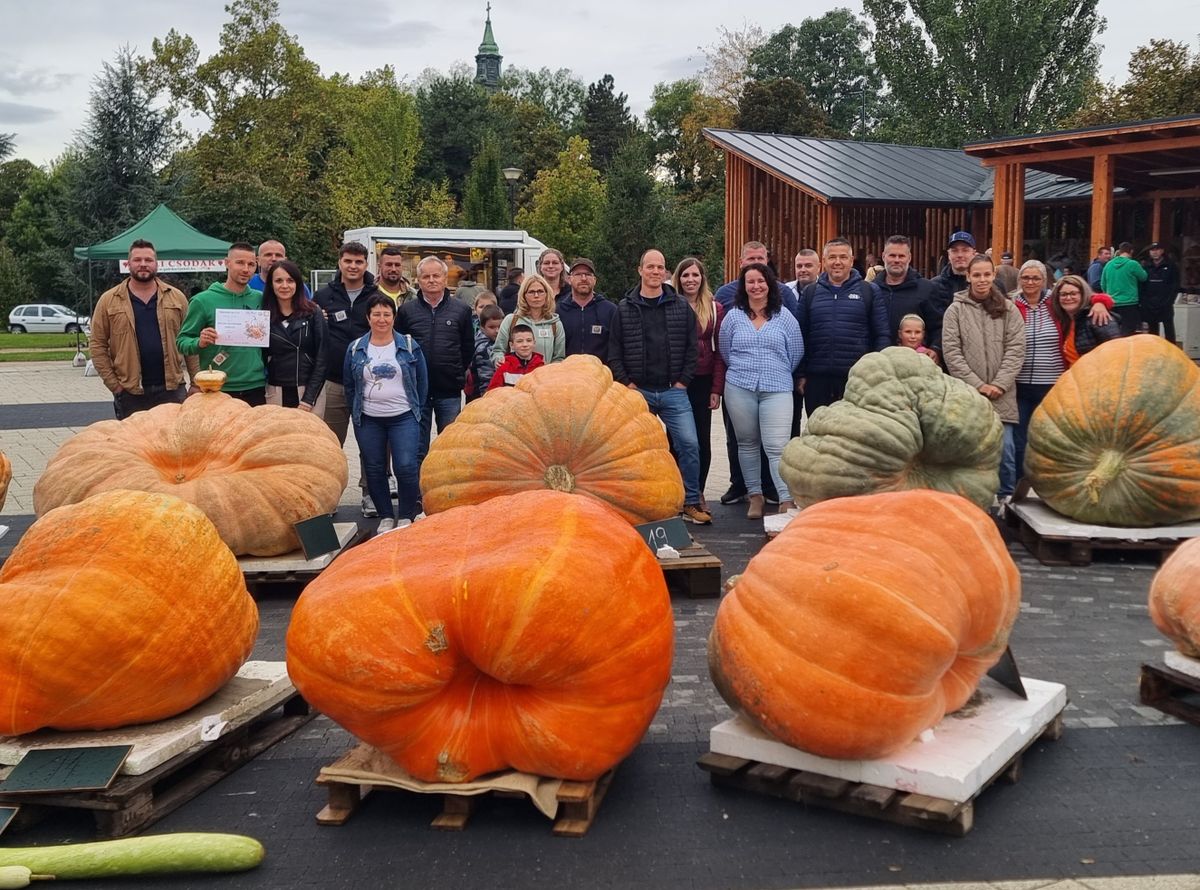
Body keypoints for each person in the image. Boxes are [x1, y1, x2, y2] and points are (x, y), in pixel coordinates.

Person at [608, 248, 710, 525]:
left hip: (672, 391)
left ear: (666, 273)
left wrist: (682, 382)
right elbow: (614, 351)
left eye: (660, 268)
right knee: (634, 451)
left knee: (689, 444)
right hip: (637, 391)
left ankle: (690, 501)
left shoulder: (680, 307)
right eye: (650, 267)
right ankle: (640, 505)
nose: (655, 272)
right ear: (640, 270)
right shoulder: (624, 309)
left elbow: (692, 350)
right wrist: (627, 384)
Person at [714, 241, 797, 506]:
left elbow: (795, 351)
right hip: (740, 387)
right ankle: (755, 496)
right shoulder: (733, 317)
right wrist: (745, 370)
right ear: (743, 285)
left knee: (776, 446)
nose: (756, 286)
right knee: (747, 443)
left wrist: (776, 370)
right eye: (750, 282)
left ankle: (785, 497)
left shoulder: (783, 316)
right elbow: (725, 350)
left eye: (760, 281)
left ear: (769, 283)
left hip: (777, 388)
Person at [941, 254, 1026, 504]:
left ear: (993, 276)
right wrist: (978, 385)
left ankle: (1005, 500)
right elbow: (952, 353)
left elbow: (1016, 348)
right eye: (976, 275)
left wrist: (999, 383)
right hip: (970, 395)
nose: (981, 279)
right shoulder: (955, 310)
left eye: (986, 274)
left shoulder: (1008, 309)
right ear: (968, 277)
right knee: (971, 451)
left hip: (1003, 393)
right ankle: (976, 500)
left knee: (1006, 450)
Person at [344, 293, 428, 535]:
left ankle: (406, 514)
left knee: (405, 466)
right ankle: (385, 515)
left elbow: (422, 381)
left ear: (394, 316)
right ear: (368, 318)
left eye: (386, 314)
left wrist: (417, 410)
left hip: (403, 416)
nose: (382, 319)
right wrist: (356, 411)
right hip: (369, 418)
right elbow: (350, 384)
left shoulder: (409, 345)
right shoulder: (356, 348)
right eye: (376, 314)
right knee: (375, 467)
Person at [90, 239, 198, 419]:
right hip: (131, 392)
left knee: (172, 444)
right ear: (128, 264)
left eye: (148, 260)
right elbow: (97, 345)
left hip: (172, 389)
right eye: (137, 260)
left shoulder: (177, 298)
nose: (143, 264)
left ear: (156, 264)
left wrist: (195, 382)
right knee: (133, 445)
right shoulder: (109, 300)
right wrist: (114, 385)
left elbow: (189, 341)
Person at [795, 238, 890, 416]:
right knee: (819, 434)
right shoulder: (811, 292)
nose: (837, 262)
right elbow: (800, 337)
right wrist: (801, 375)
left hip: (857, 380)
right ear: (824, 262)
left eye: (843, 257)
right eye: (832, 257)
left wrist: (877, 375)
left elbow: (881, 335)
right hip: (817, 380)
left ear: (851, 260)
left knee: (853, 437)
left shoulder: (869, 291)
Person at [396, 255, 475, 462]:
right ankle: (417, 492)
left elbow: (468, 347)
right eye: (426, 276)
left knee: (449, 445)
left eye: (436, 276)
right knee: (417, 446)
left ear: (445, 278)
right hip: (416, 390)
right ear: (418, 280)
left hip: (448, 389)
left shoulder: (462, 310)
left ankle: (447, 489)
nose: (431, 280)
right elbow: (399, 347)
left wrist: (457, 370)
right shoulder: (406, 311)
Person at [177, 242, 267, 406]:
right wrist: (199, 342)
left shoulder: (260, 298)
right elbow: (182, 342)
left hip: (256, 385)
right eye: (240, 262)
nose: (246, 269)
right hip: (218, 387)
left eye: (251, 264)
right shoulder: (202, 301)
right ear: (227, 263)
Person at [674, 257, 725, 511]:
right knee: (675, 440)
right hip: (676, 382)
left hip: (703, 381)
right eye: (685, 275)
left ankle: (699, 491)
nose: (690, 280)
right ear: (678, 279)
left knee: (701, 439)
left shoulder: (715, 308)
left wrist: (717, 388)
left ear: (702, 278)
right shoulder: (671, 305)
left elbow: (719, 352)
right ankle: (676, 490)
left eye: (695, 275)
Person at [1010, 260, 1062, 486]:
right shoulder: (1010, 305)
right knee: (1019, 438)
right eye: (1025, 278)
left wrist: (1101, 301)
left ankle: (1049, 483)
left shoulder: (1056, 303)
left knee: (1049, 436)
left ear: (1044, 280)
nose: (1030, 282)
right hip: (1019, 384)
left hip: (1052, 383)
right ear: (1019, 280)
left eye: (1035, 278)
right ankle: (1021, 483)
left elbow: (1086, 301)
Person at [261, 259, 327, 411]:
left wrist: (309, 398)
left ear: (297, 283)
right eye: (278, 280)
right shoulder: (263, 315)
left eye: (290, 280)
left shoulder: (313, 312)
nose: (284, 286)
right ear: (271, 284)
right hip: (275, 390)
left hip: (309, 391)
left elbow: (323, 357)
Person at [876, 235, 941, 353]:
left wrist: (935, 349)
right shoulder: (871, 289)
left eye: (901, 256)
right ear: (883, 256)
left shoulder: (926, 289)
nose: (896, 260)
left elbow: (938, 326)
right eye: (892, 255)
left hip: (914, 361)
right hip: (878, 360)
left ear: (909, 258)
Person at [491, 274, 566, 366]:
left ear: (547, 294)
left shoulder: (555, 324)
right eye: (531, 292)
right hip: (516, 378)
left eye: (540, 291)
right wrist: (498, 359)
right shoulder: (511, 320)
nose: (536, 295)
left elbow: (559, 358)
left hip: (544, 377)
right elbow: (498, 350)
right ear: (524, 295)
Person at [1049, 275, 1122, 368]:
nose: (1068, 298)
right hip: (1075, 378)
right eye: (1063, 294)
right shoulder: (1066, 322)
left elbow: (1117, 353)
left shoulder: (1098, 317)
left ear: (1083, 294)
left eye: (1073, 293)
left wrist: (1100, 302)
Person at [558, 257, 616, 361]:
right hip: (567, 374)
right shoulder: (558, 311)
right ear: (569, 279)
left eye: (588, 274)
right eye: (578, 274)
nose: (583, 278)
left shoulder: (610, 311)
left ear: (595, 280)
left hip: (600, 375)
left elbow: (617, 348)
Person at [928, 232, 978, 345]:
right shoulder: (934, 286)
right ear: (949, 254)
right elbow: (932, 324)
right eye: (955, 250)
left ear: (974, 253)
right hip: (943, 350)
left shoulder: (986, 286)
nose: (960, 255)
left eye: (965, 250)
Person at [1101, 242, 1147, 335]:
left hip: (1112, 303)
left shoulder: (1108, 265)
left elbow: (1103, 284)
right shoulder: (1133, 264)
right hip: (1129, 303)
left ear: (1120, 251)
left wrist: (1108, 294)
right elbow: (1143, 277)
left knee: (1114, 331)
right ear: (1131, 251)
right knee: (1128, 331)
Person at [1141, 242, 1180, 342]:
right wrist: (1144, 302)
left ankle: (1172, 352)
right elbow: (1142, 285)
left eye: (1157, 250)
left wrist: (1170, 300)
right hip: (1150, 304)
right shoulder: (1145, 266)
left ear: (1162, 251)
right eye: (1152, 250)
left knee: (1169, 329)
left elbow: (1175, 285)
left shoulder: (1171, 266)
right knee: (1153, 332)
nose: (1155, 252)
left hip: (1165, 304)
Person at [487, 323, 545, 391]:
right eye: (519, 341)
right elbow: (493, 392)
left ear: (534, 343)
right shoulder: (504, 367)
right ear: (512, 345)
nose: (525, 344)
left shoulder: (541, 367)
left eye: (529, 340)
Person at [470, 304, 504, 398]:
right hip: (484, 395)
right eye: (492, 327)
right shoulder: (483, 348)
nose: (497, 331)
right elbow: (486, 379)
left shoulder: (499, 342)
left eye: (500, 326)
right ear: (482, 327)